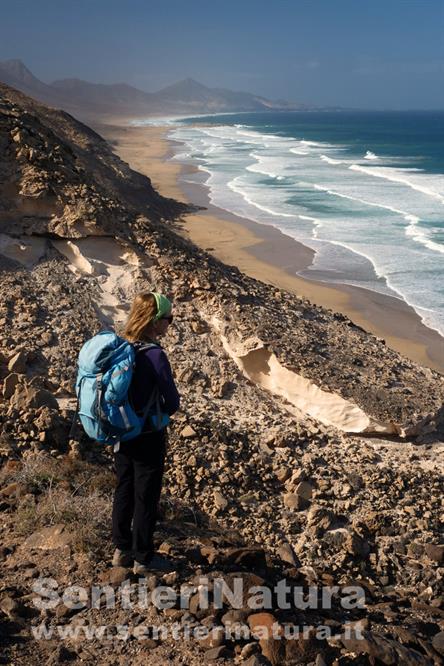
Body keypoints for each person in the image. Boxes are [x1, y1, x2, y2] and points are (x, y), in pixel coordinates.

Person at [111, 291, 180, 574]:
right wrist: (160, 413)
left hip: (121, 429)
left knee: (124, 487)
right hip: (149, 433)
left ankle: (121, 550)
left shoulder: (119, 346)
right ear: (154, 321)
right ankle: (143, 558)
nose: (169, 325)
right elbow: (173, 401)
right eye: (168, 319)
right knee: (146, 494)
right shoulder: (155, 355)